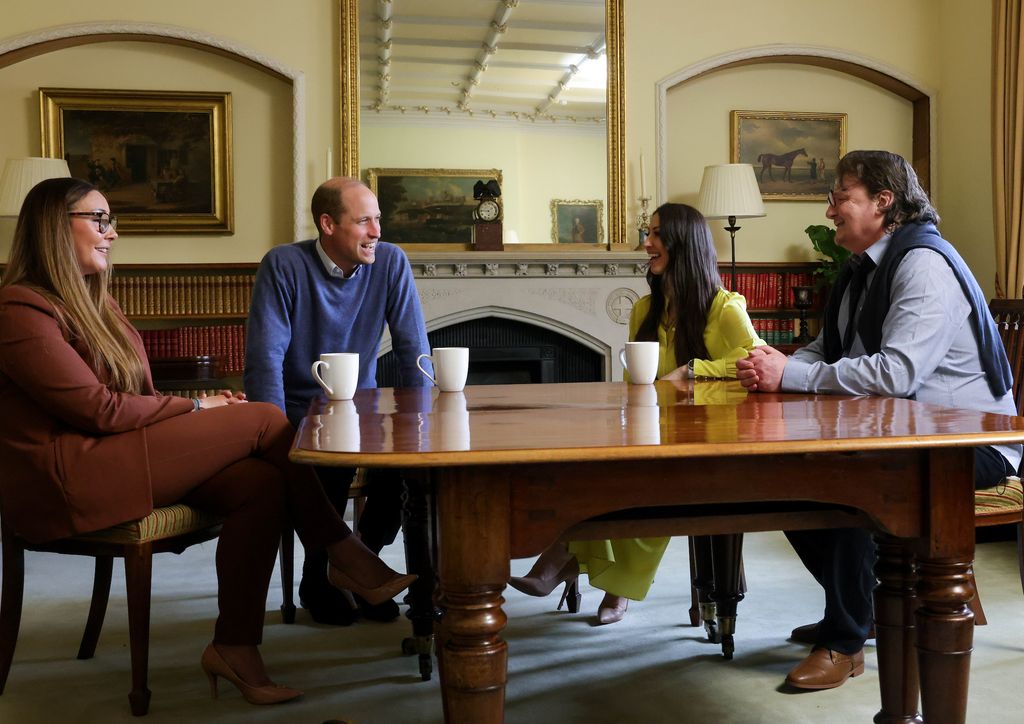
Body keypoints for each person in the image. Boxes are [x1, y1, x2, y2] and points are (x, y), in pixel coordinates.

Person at [0, 177, 415, 705]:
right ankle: (344, 554)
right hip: (67, 478)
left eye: (112, 222)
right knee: (265, 419)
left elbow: (133, 395)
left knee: (260, 483)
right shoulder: (19, 309)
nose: (113, 234)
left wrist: (200, 414)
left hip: (110, 457)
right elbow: (97, 409)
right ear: (52, 229)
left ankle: (235, 647)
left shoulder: (93, 305)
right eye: (99, 220)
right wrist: (198, 407)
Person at [735, 149, 1022, 691]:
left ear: (883, 203)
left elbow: (896, 373)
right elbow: (825, 350)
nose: (829, 211)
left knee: (850, 475)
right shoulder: (860, 272)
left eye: (841, 197)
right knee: (779, 473)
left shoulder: (922, 263)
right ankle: (861, 610)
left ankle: (845, 641)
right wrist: (775, 366)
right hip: (908, 431)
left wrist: (790, 377)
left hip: (971, 440)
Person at [508, 203, 765, 624]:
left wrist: (696, 369)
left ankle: (579, 568)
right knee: (595, 465)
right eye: (648, 233)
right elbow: (639, 382)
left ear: (684, 242)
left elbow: (759, 360)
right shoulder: (645, 310)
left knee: (646, 482)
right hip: (654, 431)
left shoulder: (725, 308)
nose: (646, 243)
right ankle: (577, 563)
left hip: (708, 444)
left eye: (657, 234)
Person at [245, 176, 431, 625]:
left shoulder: (390, 262)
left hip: (360, 407)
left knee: (409, 464)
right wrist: (274, 434)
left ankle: (356, 561)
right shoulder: (283, 265)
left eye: (378, 219)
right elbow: (264, 358)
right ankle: (321, 577)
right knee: (331, 455)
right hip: (295, 409)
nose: (377, 231)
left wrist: (425, 423)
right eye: (364, 220)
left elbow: (413, 346)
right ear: (327, 224)